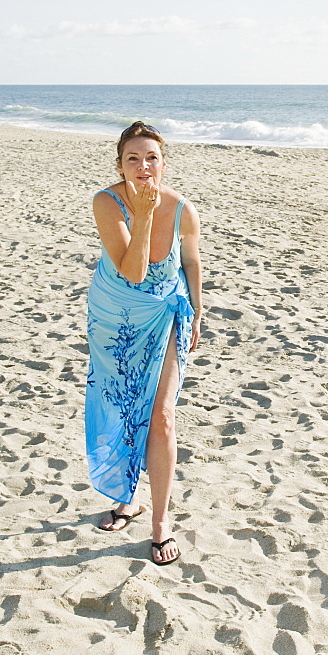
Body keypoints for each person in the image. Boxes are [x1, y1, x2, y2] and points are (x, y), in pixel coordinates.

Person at [86, 121, 202, 566]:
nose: (143, 166)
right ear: (120, 164)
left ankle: (159, 523)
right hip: (115, 318)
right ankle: (127, 498)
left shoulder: (183, 208)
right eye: (133, 158)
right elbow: (132, 271)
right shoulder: (106, 202)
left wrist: (197, 313)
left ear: (163, 162)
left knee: (162, 415)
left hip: (167, 314)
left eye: (151, 157)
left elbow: (191, 261)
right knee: (122, 406)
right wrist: (143, 214)